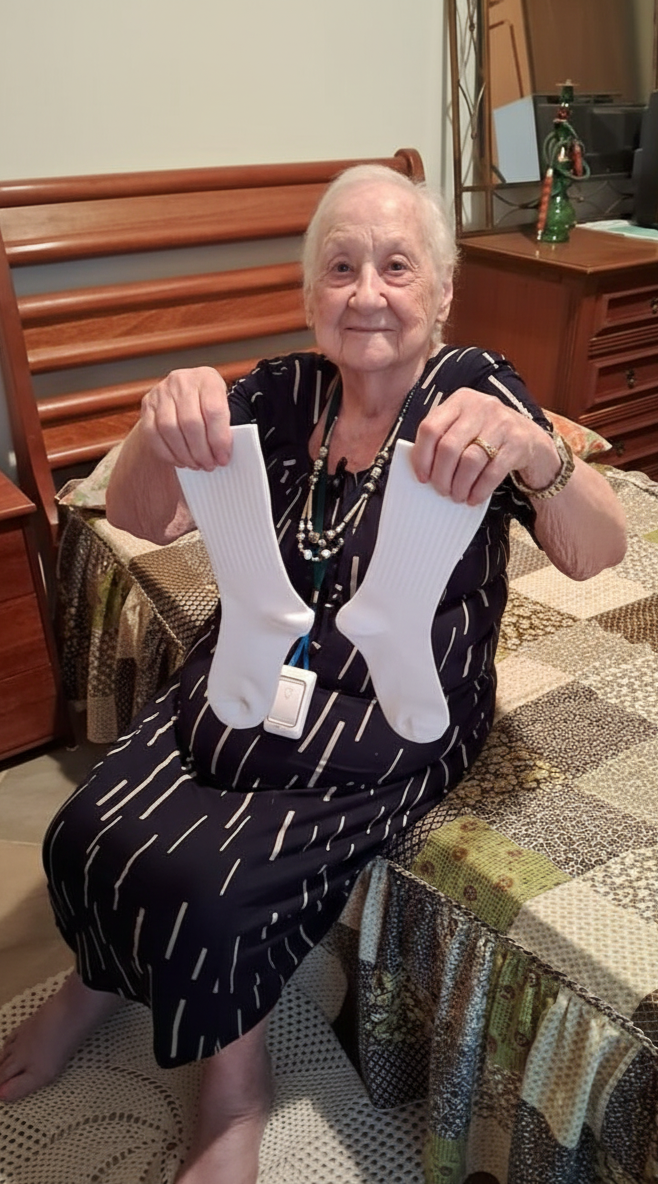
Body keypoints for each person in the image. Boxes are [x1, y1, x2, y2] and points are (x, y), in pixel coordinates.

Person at [0, 164, 626, 1183]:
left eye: (396, 266)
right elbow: (145, 519)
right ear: (308, 293)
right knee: (84, 829)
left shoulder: (475, 390)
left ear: (442, 291)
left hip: (395, 702)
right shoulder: (281, 392)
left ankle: (233, 1088)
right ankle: (96, 980)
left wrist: (535, 450)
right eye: (340, 267)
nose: (366, 292)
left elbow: (598, 553)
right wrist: (156, 422)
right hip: (248, 663)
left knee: (209, 886)